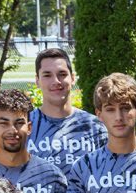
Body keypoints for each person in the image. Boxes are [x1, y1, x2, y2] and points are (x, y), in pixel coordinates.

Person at [29, 47, 109, 176]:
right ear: (37, 80)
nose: (56, 81)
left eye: (62, 74)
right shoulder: (24, 126)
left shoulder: (95, 127)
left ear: (72, 78)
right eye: (47, 75)